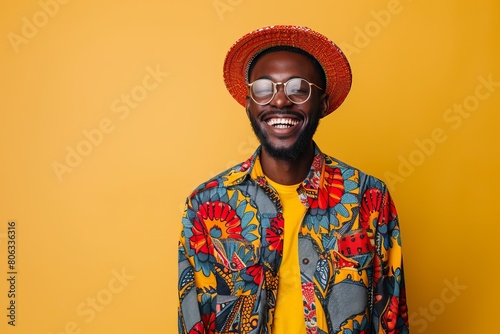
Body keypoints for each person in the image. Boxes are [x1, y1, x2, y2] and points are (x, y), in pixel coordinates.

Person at [178, 25, 409, 334]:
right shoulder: (206, 205)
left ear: (323, 105)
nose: (280, 102)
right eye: (263, 88)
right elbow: (192, 320)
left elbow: (392, 317)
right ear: (249, 104)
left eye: (298, 89)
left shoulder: (369, 197)